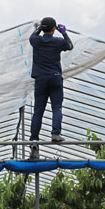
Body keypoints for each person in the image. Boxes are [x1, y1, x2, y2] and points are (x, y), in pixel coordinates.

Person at [29, 18, 73, 159]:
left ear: (42, 28)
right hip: (55, 78)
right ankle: (55, 134)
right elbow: (70, 46)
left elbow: (32, 37)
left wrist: (38, 28)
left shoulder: (36, 41)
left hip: (41, 79)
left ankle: (34, 141)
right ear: (54, 29)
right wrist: (64, 33)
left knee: (38, 111)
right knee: (57, 108)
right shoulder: (58, 42)